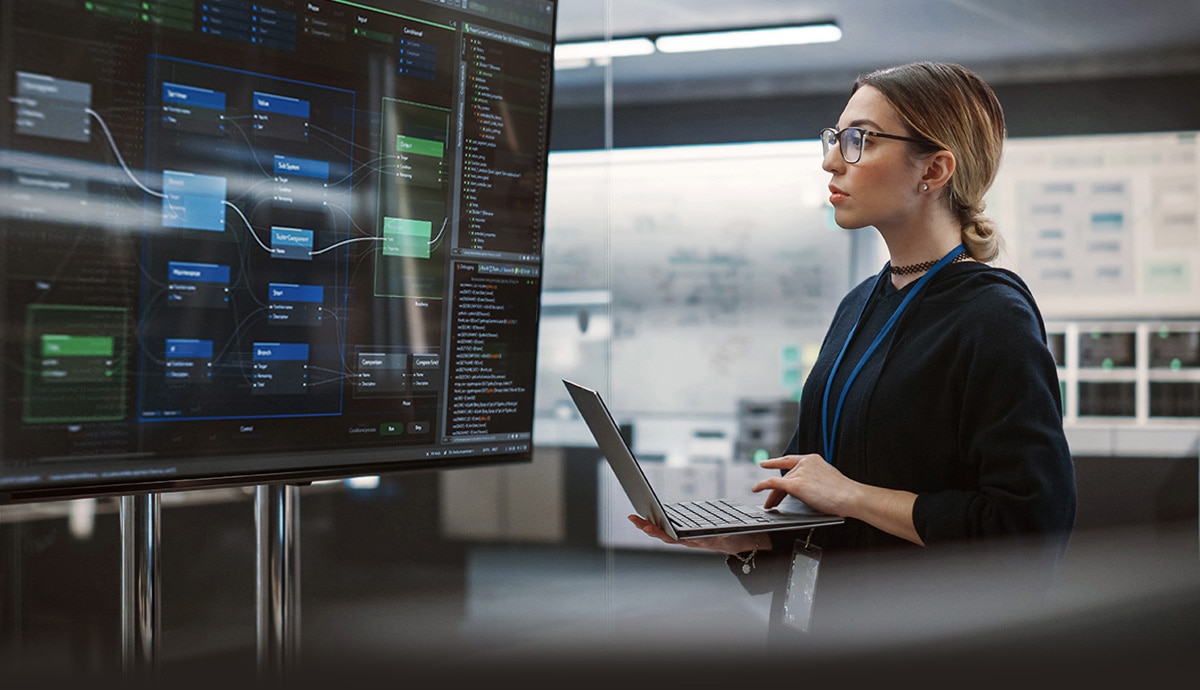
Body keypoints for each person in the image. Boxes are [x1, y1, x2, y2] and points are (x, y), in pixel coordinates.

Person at [629, 61, 1077, 642]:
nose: (831, 160)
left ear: (935, 168)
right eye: (834, 138)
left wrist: (851, 495)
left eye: (859, 140)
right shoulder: (860, 303)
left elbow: (1029, 531)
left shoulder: (993, 317)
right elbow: (818, 496)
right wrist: (748, 535)